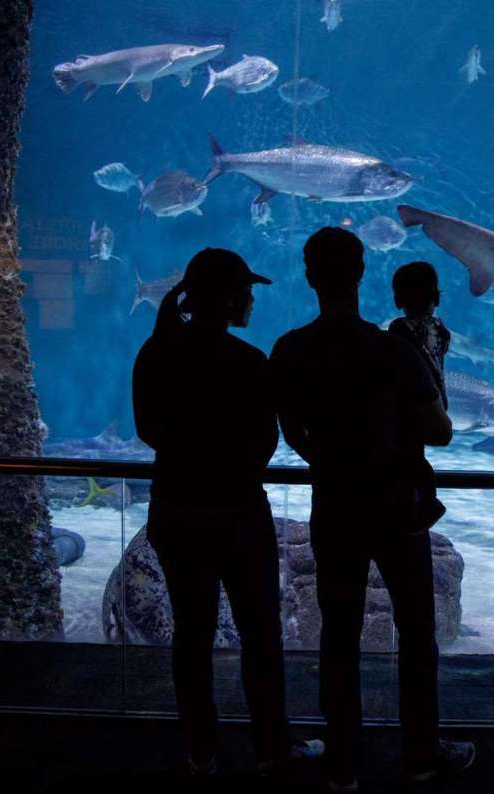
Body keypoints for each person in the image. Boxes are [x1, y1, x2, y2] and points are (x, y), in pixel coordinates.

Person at [270, 228, 475, 792]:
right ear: (363, 275)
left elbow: (292, 432)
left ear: (310, 276)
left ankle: (343, 764)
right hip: (396, 508)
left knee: (338, 634)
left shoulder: (290, 351)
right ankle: (420, 755)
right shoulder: (394, 350)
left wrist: (334, 463)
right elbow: (441, 433)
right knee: (416, 633)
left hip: (335, 506)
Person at [131, 247, 322, 778]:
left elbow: (148, 430)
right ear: (233, 298)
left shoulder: (155, 354)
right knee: (260, 633)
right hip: (238, 514)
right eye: (248, 292)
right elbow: (264, 444)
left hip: (175, 509)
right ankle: (270, 747)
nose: (253, 302)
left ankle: (200, 751)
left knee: (191, 634)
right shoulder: (248, 363)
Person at [387, 261, 451, 532]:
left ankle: (427, 505)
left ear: (397, 298)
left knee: (414, 460)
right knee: (419, 462)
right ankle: (428, 503)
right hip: (435, 397)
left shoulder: (398, 329)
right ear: (437, 297)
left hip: (412, 406)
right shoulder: (440, 328)